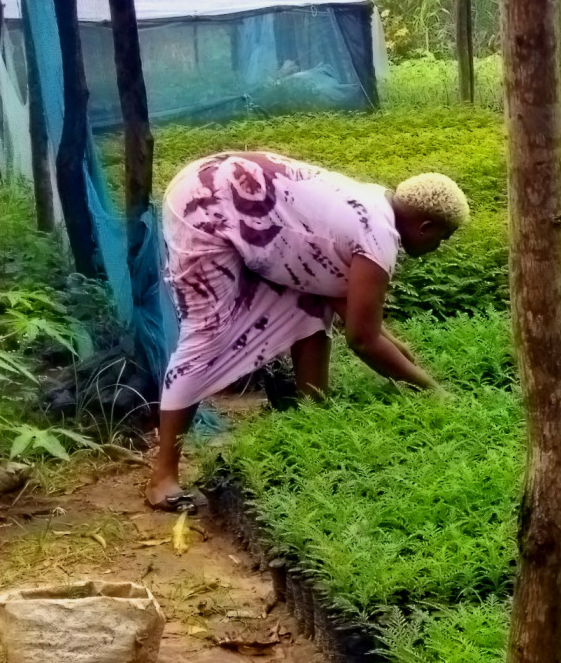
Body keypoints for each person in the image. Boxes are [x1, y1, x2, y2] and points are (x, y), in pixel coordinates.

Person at [146, 151, 468, 509]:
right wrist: (433, 390)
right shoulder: (379, 237)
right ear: (425, 227)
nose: (439, 248)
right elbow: (362, 339)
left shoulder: (374, 204)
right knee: (206, 336)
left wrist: (405, 358)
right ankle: (163, 478)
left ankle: (313, 424)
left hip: (226, 191)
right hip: (205, 206)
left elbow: (343, 304)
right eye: (442, 239)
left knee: (310, 305)